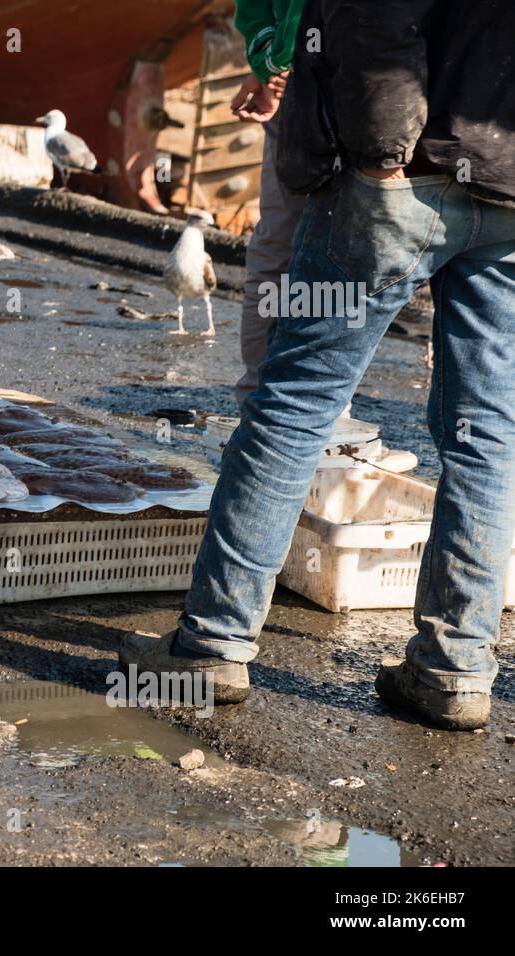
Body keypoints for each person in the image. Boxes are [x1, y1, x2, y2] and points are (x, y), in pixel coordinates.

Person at [120, 0, 515, 730]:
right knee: (485, 431)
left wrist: (379, 162)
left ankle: (210, 646)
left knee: (292, 407)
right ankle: (455, 669)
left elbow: (375, 18)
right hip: (504, 186)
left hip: (404, 179)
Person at [229, 0, 307, 407]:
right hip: (346, 92)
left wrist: (268, 65)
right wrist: (277, 66)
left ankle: (260, 403)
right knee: (338, 254)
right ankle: (315, 411)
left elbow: (258, 11)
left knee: (279, 245)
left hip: (304, 84)